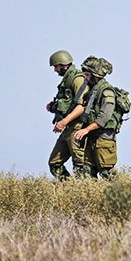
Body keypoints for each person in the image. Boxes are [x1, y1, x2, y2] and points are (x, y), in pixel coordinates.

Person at [72, 56, 122, 179]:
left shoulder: (107, 92)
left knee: (106, 173)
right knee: (87, 172)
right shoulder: (93, 91)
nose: (85, 78)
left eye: (87, 75)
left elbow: (104, 117)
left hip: (104, 138)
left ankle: (121, 190)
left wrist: (86, 130)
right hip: (92, 137)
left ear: (96, 75)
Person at [45, 50, 89, 179]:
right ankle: (68, 187)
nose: (55, 70)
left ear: (63, 65)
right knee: (54, 163)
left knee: (80, 165)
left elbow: (81, 106)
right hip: (69, 126)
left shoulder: (77, 79)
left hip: (77, 126)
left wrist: (64, 122)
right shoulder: (67, 80)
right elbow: (68, 103)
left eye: (56, 66)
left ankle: (85, 188)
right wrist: (54, 107)